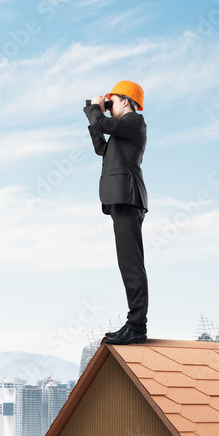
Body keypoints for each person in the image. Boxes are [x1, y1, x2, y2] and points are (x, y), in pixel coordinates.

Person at [83, 81, 149, 345]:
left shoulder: (135, 121)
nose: (109, 107)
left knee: (132, 265)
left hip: (128, 199)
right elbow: (101, 146)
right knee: (127, 264)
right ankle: (134, 325)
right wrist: (93, 110)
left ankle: (137, 327)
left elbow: (104, 124)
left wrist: (97, 109)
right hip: (121, 200)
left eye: (112, 102)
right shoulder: (120, 135)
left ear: (126, 101)